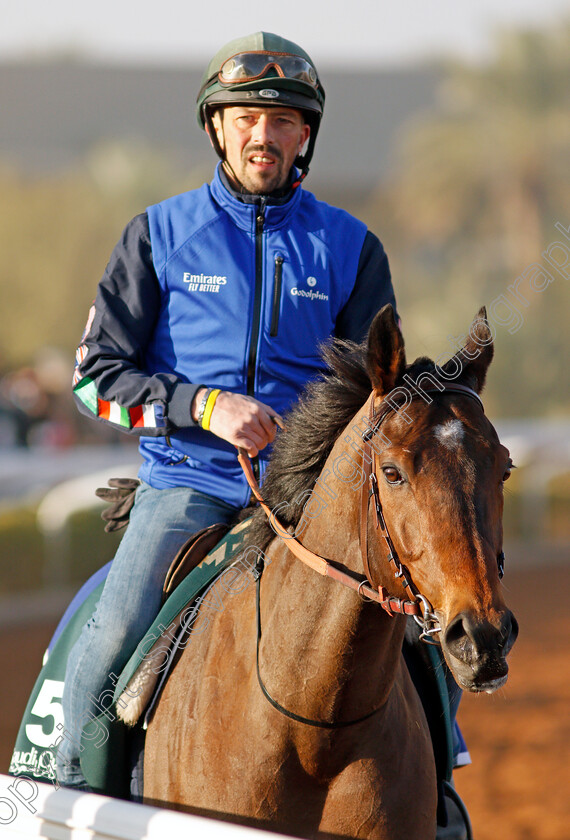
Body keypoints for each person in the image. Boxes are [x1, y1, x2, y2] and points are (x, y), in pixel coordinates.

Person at [57, 31, 398, 790]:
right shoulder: (157, 234)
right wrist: (202, 407)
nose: (262, 135)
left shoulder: (351, 247)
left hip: (315, 500)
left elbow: (382, 392)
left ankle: (439, 794)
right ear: (216, 126)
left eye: (282, 121)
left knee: (409, 629)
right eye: (245, 117)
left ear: (305, 135)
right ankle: (68, 806)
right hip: (189, 484)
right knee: (111, 638)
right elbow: (95, 378)